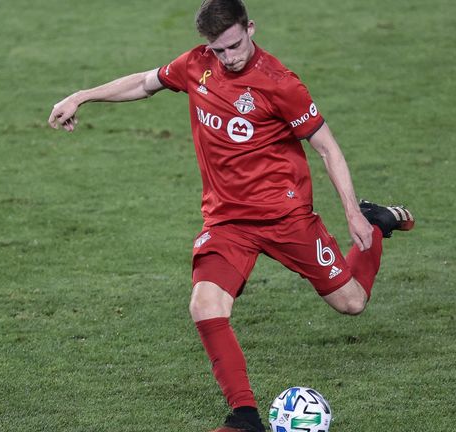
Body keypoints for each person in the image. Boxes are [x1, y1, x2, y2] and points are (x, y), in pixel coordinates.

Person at [48, 1, 415, 430]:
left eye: (236, 45)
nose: (230, 57)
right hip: (227, 222)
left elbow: (327, 148)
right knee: (204, 306)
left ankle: (375, 222)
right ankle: (245, 417)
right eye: (219, 50)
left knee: (351, 302)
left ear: (250, 28)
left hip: (286, 217)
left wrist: (351, 213)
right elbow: (145, 83)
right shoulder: (197, 66)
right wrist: (82, 95)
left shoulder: (280, 83)